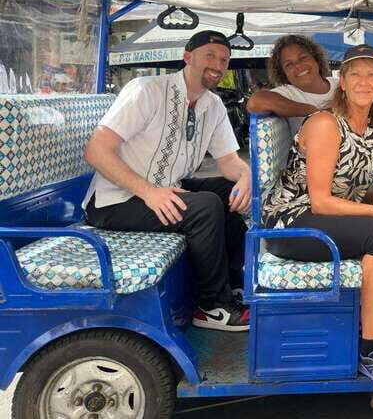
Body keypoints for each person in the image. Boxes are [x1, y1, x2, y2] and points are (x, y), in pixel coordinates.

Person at [262, 44, 373, 398]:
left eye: (371, 74)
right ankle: (369, 349)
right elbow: (321, 201)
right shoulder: (327, 123)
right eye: (355, 74)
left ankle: (359, 318)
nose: (363, 81)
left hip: (327, 218)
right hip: (292, 222)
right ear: (341, 82)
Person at [83, 30, 251, 332]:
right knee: (205, 207)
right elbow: (96, 149)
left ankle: (232, 285)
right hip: (116, 201)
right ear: (188, 57)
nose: (217, 64)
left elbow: (229, 163)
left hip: (164, 189)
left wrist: (247, 177)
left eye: (224, 59)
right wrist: (148, 193)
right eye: (209, 55)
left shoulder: (212, 105)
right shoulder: (146, 90)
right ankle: (211, 306)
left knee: (230, 192)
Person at [247, 35, 338, 136]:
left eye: (303, 57)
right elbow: (255, 102)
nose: (298, 65)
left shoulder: (342, 84)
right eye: (289, 64)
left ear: (316, 58)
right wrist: (313, 111)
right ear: (283, 73)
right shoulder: (288, 94)